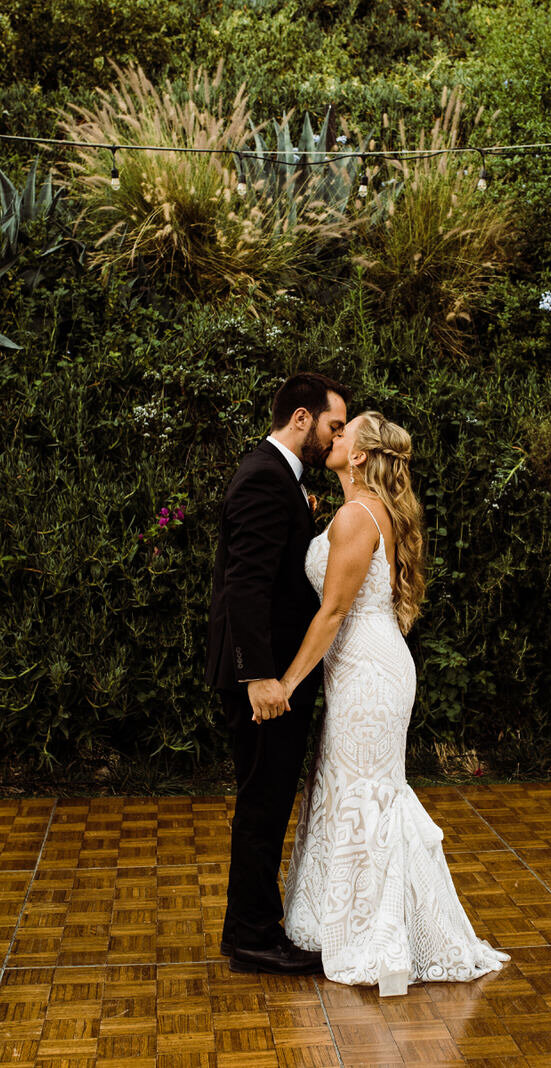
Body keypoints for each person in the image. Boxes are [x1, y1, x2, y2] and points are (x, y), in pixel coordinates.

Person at [278, 411, 508, 996]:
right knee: (356, 792)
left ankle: (376, 933)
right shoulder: (361, 511)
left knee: (367, 797)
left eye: (344, 431)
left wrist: (286, 683)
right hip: (365, 668)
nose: (334, 436)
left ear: (358, 455)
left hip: (368, 674)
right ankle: (353, 920)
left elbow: (332, 613)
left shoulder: (358, 515)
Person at [206, 372, 349, 975]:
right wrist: (260, 677)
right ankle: (256, 938)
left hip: (274, 677)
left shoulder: (280, 480)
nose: (336, 436)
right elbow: (245, 585)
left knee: (264, 800)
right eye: (333, 425)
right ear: (301, 418)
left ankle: (247, 929)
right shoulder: (267, 477)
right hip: (266, 683)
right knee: (264, 803)